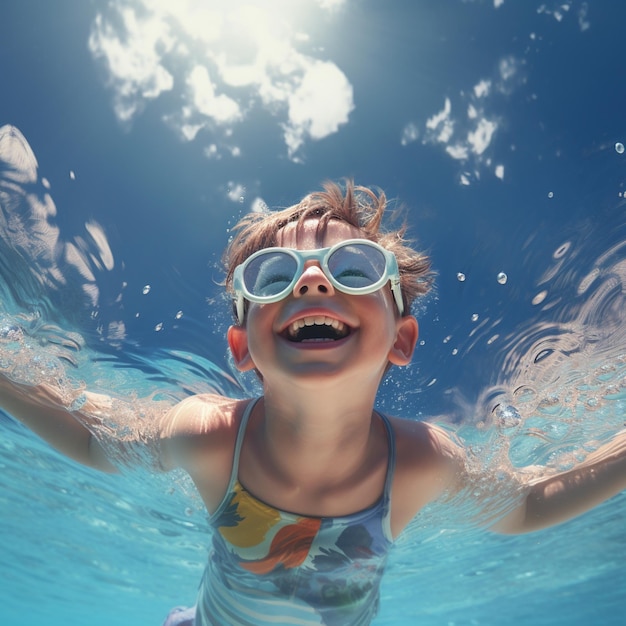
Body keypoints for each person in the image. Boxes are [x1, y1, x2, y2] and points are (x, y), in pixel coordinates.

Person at [2, 181, 626, 626]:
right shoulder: (212, 434)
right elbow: (89, 438)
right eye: (273, 278)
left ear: (402, 339)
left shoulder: (420, 460)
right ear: (242, 348)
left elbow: (523, 502)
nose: (311, 280)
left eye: (354, 268)